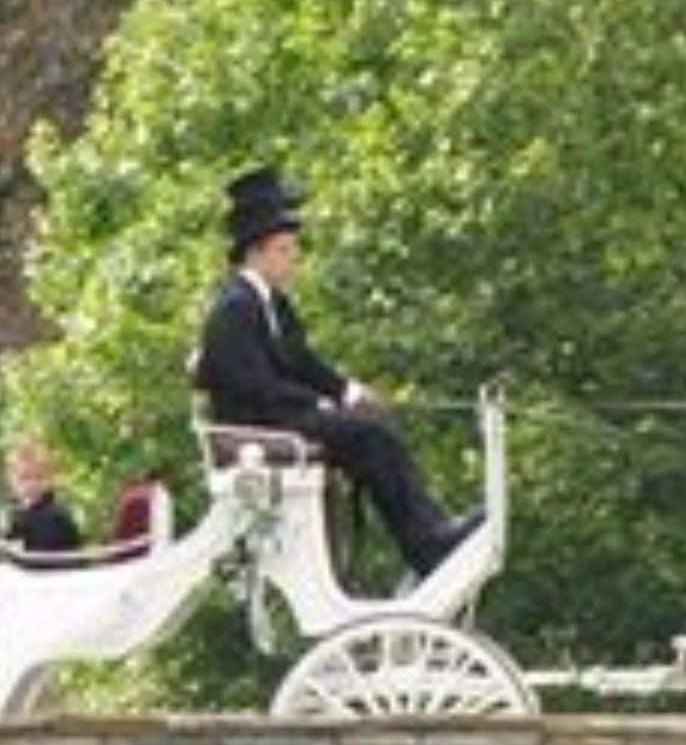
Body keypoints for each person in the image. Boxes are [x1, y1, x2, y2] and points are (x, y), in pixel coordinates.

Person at [191, 166, 481, 576]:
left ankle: (429, 533)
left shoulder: (273, 305)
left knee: (375, 427)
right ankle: (427, 544)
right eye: (285, 251)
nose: (294, 262)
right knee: (370, 437)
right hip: (259, 427)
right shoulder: (233, 309)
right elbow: (252, 385)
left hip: (281, 416)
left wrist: (348, 392)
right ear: (256, 252)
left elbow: (304, 362)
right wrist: (321, 406)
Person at [0, 440, 84, 556]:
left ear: (50, 479)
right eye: (24, 478)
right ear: (10, 479)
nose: (32, 485)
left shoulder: (56, 516)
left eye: (39, 478)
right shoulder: (13, 512)